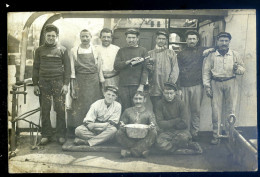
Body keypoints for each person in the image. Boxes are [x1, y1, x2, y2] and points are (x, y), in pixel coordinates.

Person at [203, 32, 245, 145]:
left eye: (226, 41)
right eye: (221, 41)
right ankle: (216, 136)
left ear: (229, 42)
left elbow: (242, 70)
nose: (224, 43)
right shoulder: (211, 55)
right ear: (217, 42)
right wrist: (207, 86)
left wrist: (237, 69)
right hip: (216, 83)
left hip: (231, 82)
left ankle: (229, 134)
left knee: (231, 110)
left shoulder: (235, 54)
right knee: (216, 111)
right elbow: (206, 72)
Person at [32, 24, 71, 145]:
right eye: (48, 35)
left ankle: (61, 134)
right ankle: (46, 135)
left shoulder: (63, 50)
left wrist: (65, 84)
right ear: (45, 36)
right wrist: (35, 84)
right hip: (44, 83)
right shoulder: (39, 50)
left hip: (58, 83)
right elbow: (35, 68)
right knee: (45, 109)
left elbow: (68, 69)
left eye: (53, 36)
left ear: (57, 36)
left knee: (60, 109)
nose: (51, 38)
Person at [177, 30, 214, 141]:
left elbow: (218, 46)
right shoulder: (181, 53)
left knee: (196, 110)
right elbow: (177, 71)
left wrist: (210, 49)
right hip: (184, 85)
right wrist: (178, 87)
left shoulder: (202, 51)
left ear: (197, 40)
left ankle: (195, 132)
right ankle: (186, 133)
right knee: (185, 111)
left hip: (198, 85)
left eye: (194, 39)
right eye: (189, 39)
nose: (191, 41)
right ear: (186, 40)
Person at [69, 29, 105, 133]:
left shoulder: (96, 50)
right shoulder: (74, 50)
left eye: (87, 36)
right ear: (80, 38)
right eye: (82, 36)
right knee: (79, 104)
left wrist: (101, 81)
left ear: (91, 37)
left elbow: (99, 67)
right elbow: (72, 68)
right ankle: (79, 130)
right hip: (80, 80)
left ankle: (94, 130)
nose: (85, 39)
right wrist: (73, 83)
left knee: (94, 104)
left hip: (93, 80)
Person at [155, 82, 202, 154]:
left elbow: (184, 123)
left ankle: (174, 149)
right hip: (167, 132)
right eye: (167, 93)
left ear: (175, 93)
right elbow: (160, 123)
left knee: (182, 138)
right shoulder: (159, 104)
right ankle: (182, 149)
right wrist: (176, 120)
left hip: (181, 131)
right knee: (159, 142)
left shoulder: (181, 103)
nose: (169, 96)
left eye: (171, 93)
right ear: (163, 93)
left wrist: (168, 123)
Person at [114, 28, 149, 112]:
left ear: (137, 38)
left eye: (133, 38)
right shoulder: (121, 51)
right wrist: (129, 61)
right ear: (126, 38)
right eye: (129, 38)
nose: (131, 40)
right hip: (123, 85)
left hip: (137, 85)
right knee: (125, 108)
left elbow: (145, 70)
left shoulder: (143, 50)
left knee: (137, 107)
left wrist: (141, 85)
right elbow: (116, 66)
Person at [116, 91, 157, 158]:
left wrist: (152, 126)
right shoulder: (127, 111)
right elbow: (121, 124)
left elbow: (153, 124)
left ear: (144, 100)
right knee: (119, 133)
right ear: (133, 99)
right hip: (130, 138)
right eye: (136, 99)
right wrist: (122, 126)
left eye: (140, 99)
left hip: (143, 138)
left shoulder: (149, 112)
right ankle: (141, 150)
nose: (138, 101)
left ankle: (129, 152)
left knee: (154, 132)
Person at [147, 30, 179, 112]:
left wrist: (169, 85)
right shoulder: (149, 54)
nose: (161, 41)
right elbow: (146, 72)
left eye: (163, 39)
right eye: (159, 38)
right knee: (156, 110)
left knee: (168, 110)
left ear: (166, 40)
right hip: (154, 89)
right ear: (156, 39)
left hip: (167, 89)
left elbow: (175, 70)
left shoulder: (171, 53)